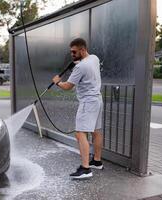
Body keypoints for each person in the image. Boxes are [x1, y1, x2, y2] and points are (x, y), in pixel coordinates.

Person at [52, 38, 103, 179]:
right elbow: (85, 64)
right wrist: (79, 61)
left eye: (74, 52)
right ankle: (97, 161)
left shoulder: (80, 67)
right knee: (97, 131)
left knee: (80, 134)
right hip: (97, 100)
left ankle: (85, 169)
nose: (72, 54)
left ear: (82, 49)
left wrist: (57, 82)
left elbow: (68, 86)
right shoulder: (94, 58)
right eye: (71, 52)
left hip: (88, 103)